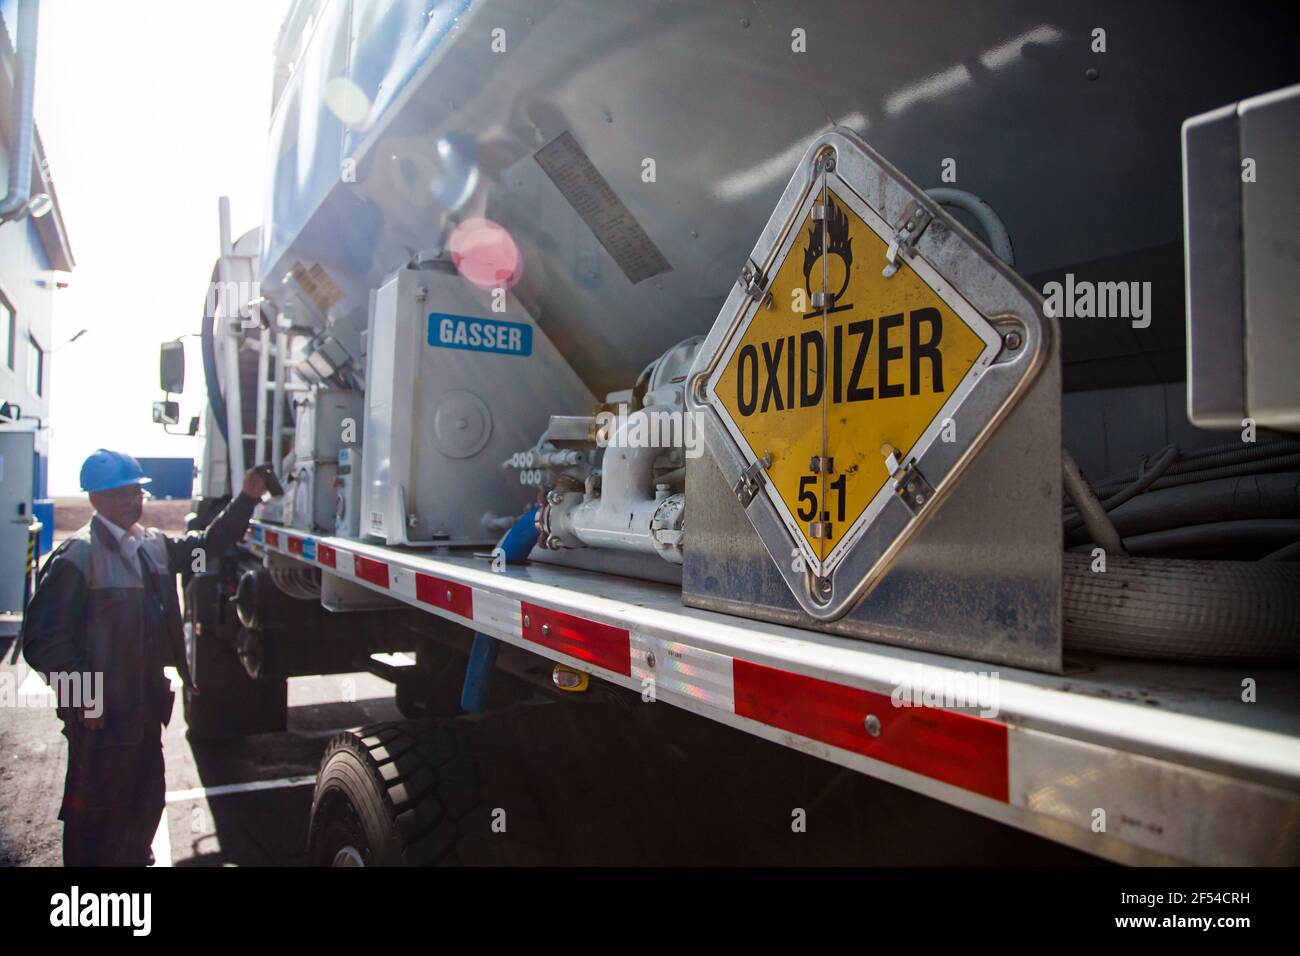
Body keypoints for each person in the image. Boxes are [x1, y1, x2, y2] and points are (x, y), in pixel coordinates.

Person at [21, 449, 268, 866]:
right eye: (120, 494)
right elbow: (44, 642)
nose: (132, 501)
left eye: (136, 492)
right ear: (95, 499)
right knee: (96, 814)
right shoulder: (77, 557)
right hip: (102, 717)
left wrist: (245, 499)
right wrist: (85, 698)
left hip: (144, 707)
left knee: (146, 800)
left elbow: (206, 547)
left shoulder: (152, 546)